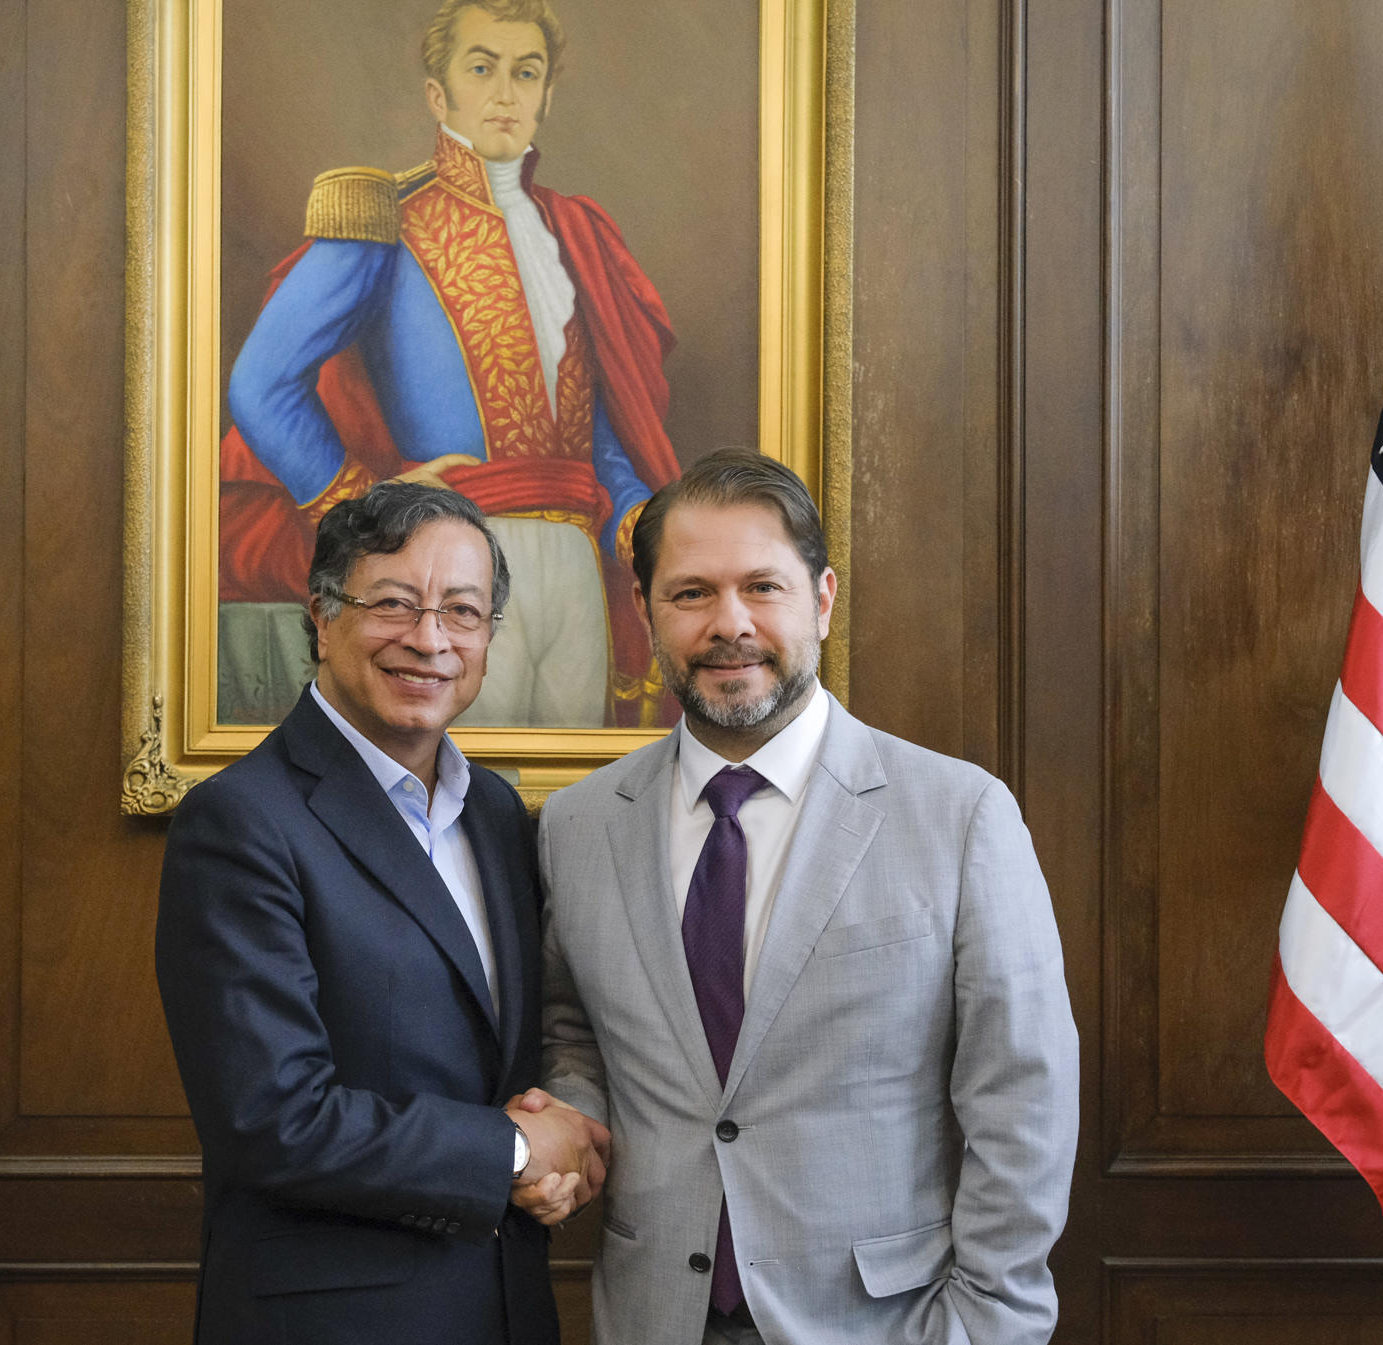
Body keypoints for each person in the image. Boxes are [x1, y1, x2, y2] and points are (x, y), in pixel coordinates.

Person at [533, 452, 1080, 1344]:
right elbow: (574, 1032)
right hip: (650, 1313)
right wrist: (573, 1119)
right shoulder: (577, 824)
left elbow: (1025, 1095)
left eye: (762, 586)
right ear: (643, 609)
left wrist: (987, 1324)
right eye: (691, 593)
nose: (730, 623)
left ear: (822, 600)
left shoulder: (959, 814)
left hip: (887, 1323)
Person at [156, 482, 610, 1345]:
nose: (430, 639)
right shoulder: (240, 822)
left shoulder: (497, 815)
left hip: (505, 1311)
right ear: (323, 618)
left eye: (462, 611)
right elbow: (274, 1119)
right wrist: (515, 1152)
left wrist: (563, 1148)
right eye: (395, 603)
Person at [218, 0, 680, 729]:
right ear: (439, 95)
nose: (505, 92)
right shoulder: (384, 218)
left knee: (574, 784)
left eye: (525, 72)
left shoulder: (576, 234)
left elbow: (597, 439)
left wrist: (637, 519)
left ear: (546, 96)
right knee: (461, 782)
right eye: (482, 68)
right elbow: (261, 384)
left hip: (577, 566)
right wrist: (361, 504)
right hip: (453, 562)